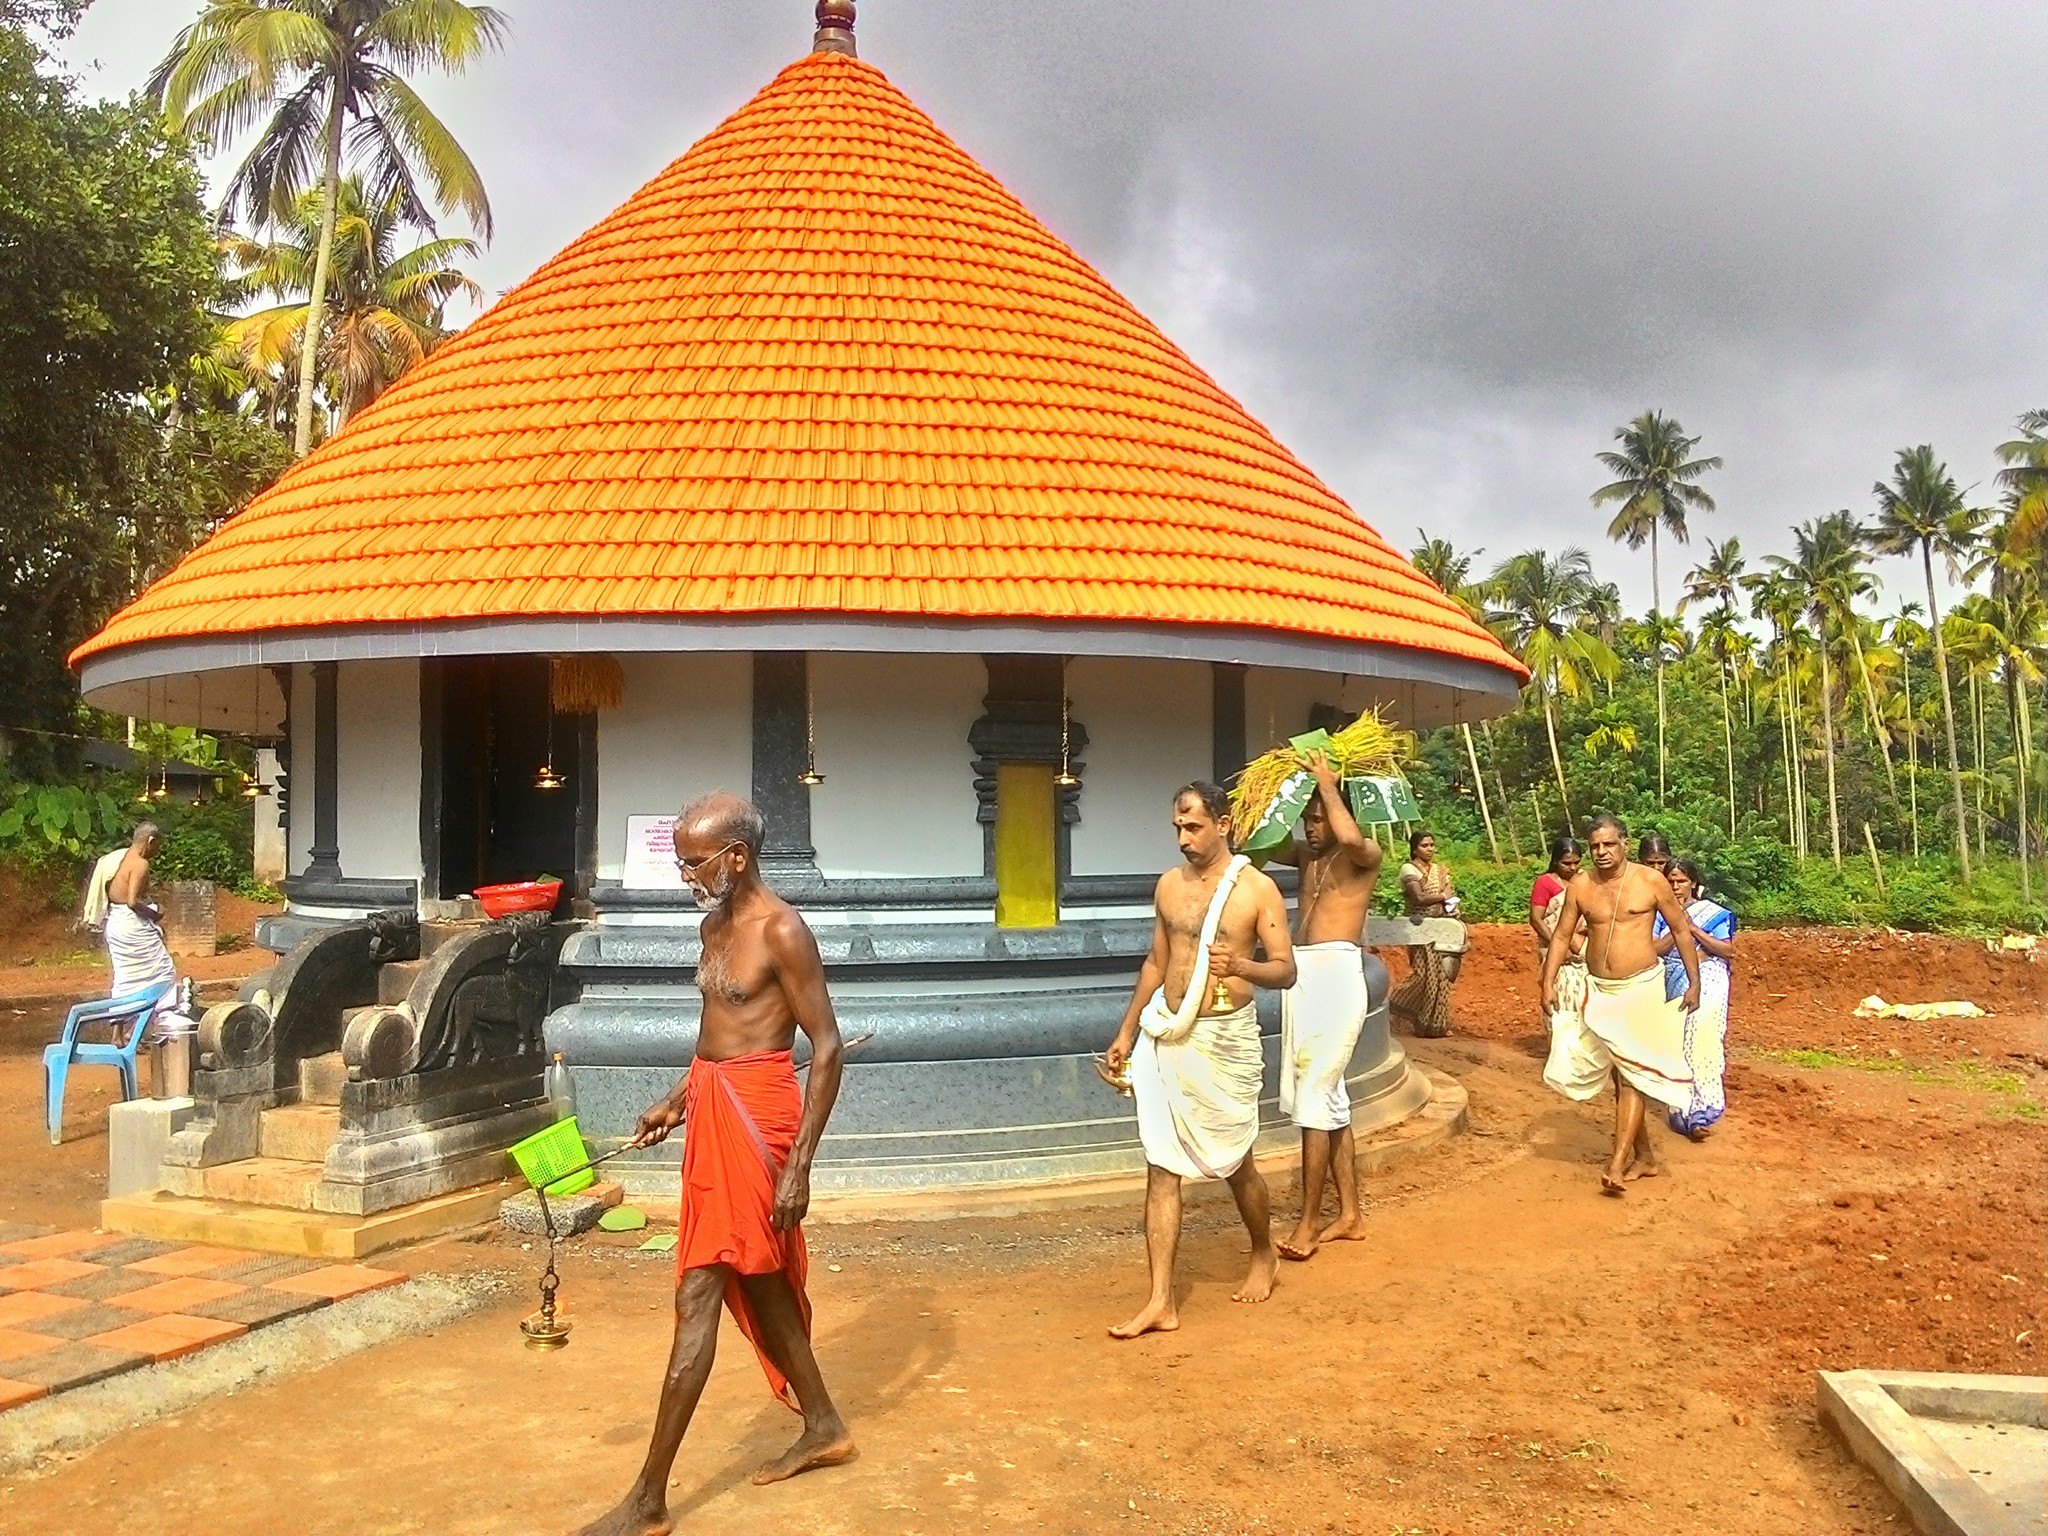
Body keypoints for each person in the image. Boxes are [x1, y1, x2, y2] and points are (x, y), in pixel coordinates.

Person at [577, 793, 852, 1536]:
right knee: (757, 1280)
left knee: (699, 1290)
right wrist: (674, 1100)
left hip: (760, 1123)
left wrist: (799, 1167)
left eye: (693, 862)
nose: (685, 875)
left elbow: (825, 1048)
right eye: (679, 862)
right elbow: (717, 1037)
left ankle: (648, 1500)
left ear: (737, 855)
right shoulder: (712, 925)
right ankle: (823, 1423)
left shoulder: (783, 930)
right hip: (711, 1105)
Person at [1102, 782, 1296, 1337]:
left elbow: (1285, 969)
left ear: (1223, 824)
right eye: (1177, 828)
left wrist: (1241, 967)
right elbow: (1157, 963)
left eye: (1193, 827)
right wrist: (1126, 1029)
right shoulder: (1167, 886)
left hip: (1224, 1037)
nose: (1183, 839)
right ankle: (1161, 1299)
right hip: (1168, 1034)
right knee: (1161, 1165)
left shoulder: (1256, 891)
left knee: (1238, 1164)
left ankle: (1264, 1251)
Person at [1263, 750, 1384, 1261]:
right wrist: (1275, 793)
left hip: (1337, 977)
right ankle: (1350, 1215)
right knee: (1328, 1101)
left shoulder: (1365, 854)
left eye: (1319, 817)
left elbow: (1352, 837)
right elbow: (1261, 846)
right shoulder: (1309, 857)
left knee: (1314, 1101)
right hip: (1303, 977)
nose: (1312, 827)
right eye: (1307, 819)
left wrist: (1327, 784)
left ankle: (1309, 1223)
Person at [1539, 815, 1699, 1196]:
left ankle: (1616, 1163)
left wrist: (1694, 982)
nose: (1601, 852)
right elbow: (1561, 935)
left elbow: (1680, 929)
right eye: (1595, 846)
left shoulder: (1650, 881)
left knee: (1631, 1077)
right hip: (1599, 989)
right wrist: (1546, 982)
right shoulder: (1582, 884)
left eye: (1609, 844)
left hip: (1641, 987)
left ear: (1624, 843)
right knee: (1619, 1073)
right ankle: (1645, 1157)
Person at [1655, 859, 1736, 1140]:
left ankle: (1702, 1111)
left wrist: (1692, 928)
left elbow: (1727, 950)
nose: (1676, 886)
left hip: (1710, 979)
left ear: (1693, 883)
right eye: (1671, 881)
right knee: (1677, 1045)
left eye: (1681, 881)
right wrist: (1677, 926)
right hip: (1673, 978)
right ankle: (1680, 1110)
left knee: (1701, 1041)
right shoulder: (1656, 915)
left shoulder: (1712, 913)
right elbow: (1654, 949)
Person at [101, 824, 177, 1028]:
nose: (157, 852)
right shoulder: (140, 864)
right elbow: (133, 902)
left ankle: (118, 1034)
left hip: (116, 923)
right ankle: (159, 1027)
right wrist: (155, 914)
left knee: (125, 978)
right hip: (132, 927)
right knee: (164, 973)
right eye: (157, 846)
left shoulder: (120, 858)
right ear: (150, 841)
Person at [1388, 830, 1457, 1038]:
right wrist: (1442, 897)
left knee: (1441, 976)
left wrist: (1452, 906)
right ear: (1415, 848)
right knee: (1424, 975)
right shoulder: (1409, 869)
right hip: (1419, 929)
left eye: (1432, 845)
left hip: (1440, 928)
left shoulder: (1439, 870)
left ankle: (1433, 1025)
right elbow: (1418, 897)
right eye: (1425, 846)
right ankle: (1394, 1004)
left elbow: (1450, 895)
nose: (1430, 849)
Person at [1532, 834, 1588, 1033]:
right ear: (1556, 861)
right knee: (1558, 991)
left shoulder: (1585, 880)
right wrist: (1558, 944)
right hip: (1553, 947)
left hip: (1581, 946)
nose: (1572, 868)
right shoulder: (1545, 883)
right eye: (1566, 863)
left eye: (1576, 863)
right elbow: (1536, 918)